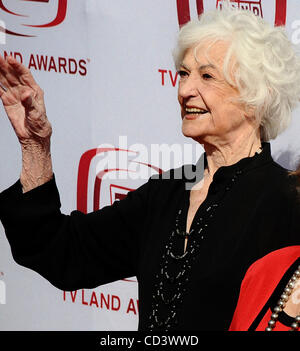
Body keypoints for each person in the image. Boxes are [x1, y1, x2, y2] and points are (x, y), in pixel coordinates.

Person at [1, 5, 300, 331]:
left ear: (256, 94)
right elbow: (62, 252)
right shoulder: (166, 194)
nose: (185, 90)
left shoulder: (287, 202)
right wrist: (35, 146)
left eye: (207, 76)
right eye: (184, 74)